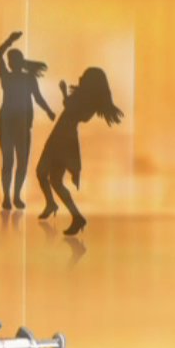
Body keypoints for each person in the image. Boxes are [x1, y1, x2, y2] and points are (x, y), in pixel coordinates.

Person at [35, 67, 123, 236]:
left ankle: (68, 212)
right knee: (52, 179)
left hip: (63, 138)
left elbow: (76, 112)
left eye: (84, 76)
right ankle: (68, 212)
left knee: (45, 174)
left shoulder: (88, 101)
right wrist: (64, 93)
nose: (80, 77)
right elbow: (70, 106)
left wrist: (64, 93)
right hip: (60, 135)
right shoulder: (83, 97)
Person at [0, 31, 56, 210]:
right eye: (12, 60)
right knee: (10, 161)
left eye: (15, 60)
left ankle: (15, 196)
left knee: (20, 162)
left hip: (21, 124)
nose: (12, 63)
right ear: (11, 63)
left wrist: (48, 110)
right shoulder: (7, 76)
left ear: (19, 62)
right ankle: (7, 197)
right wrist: (9, 41)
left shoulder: (28, 78)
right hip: (7, 123)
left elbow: (38, 97)